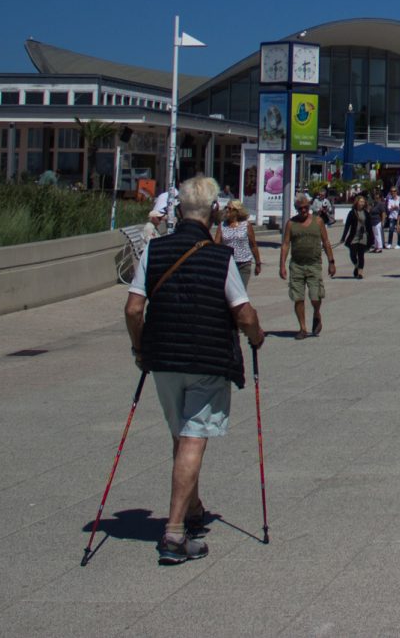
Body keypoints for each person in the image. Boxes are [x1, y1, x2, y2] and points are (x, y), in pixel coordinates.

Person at [123, 174, 265, 564]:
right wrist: (256, 336)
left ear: (179, 211)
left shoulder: (155, 251)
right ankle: (173, 533)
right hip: (206, 358)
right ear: (214, 211)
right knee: (193, 439)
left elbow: (134, 309)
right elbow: (244, 312)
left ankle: (194, 507)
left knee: (182, 435)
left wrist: (140, 348)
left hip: (163, 359)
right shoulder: (221, 259)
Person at [278, 192, 333, 337]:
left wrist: (331, 262)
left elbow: (326, 242)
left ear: (309, 207)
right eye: (300, 208)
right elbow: (285, 244)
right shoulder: (291, 223)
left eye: (305, 207)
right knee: (298, 298)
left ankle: (316, 314)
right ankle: (302, 328)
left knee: (315, 297)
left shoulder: (318, 221)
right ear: (296, 208)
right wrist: (282, 265)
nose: (303, 210)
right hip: (297, 265)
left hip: (314, 264)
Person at [216, 202, 261, 290]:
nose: (227, 210)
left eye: (230, 208)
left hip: (244, 264)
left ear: (237, 211)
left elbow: (253, 245)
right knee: (229, 292)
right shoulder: (222, 226)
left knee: (241, 291)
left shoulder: (246, 225)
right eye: (226, 208)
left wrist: (258, 263)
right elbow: (216, 244)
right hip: (228, 264)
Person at [339, 195, 370, 279]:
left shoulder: (366, 213)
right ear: (357, 202)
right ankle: (356, 265)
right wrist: (343, 237)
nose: (362, 203)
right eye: (361, 201)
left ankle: (360, 273)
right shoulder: (352, 213)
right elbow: (347, 226)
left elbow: (369, 227)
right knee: (352, 254)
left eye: (363, 202)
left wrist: (371, 239)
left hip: (363, 236)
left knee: (361, 255)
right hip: (354, 236)